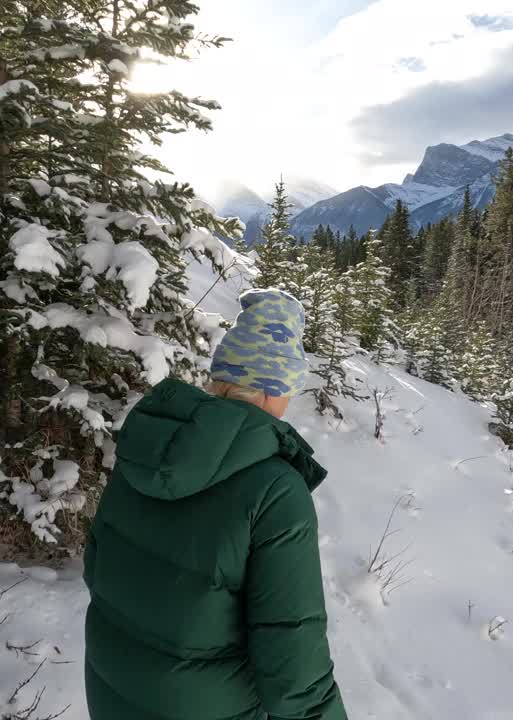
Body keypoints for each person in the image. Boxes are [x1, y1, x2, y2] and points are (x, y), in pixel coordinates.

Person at [84, 288, 347, 720]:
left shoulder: (148, 446)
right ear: (273, 388)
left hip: (114, 689)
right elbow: (294, 667)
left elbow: (96, 566)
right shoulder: (275, 489)